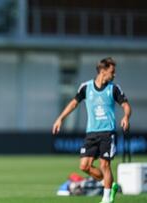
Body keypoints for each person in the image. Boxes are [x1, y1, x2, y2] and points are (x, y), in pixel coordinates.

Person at [52, 57, 131, 203]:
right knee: (84, 166)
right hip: (91, 133)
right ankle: (110, 184)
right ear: (102, 70)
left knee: (104, 164)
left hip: (108, 132)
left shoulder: (113, 88)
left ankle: (107, 198)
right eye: (112, 71)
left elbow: (126, 105)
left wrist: (126, 117)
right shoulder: (86, 87)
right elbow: (74, 103)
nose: (114, 75)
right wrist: (60, 118)